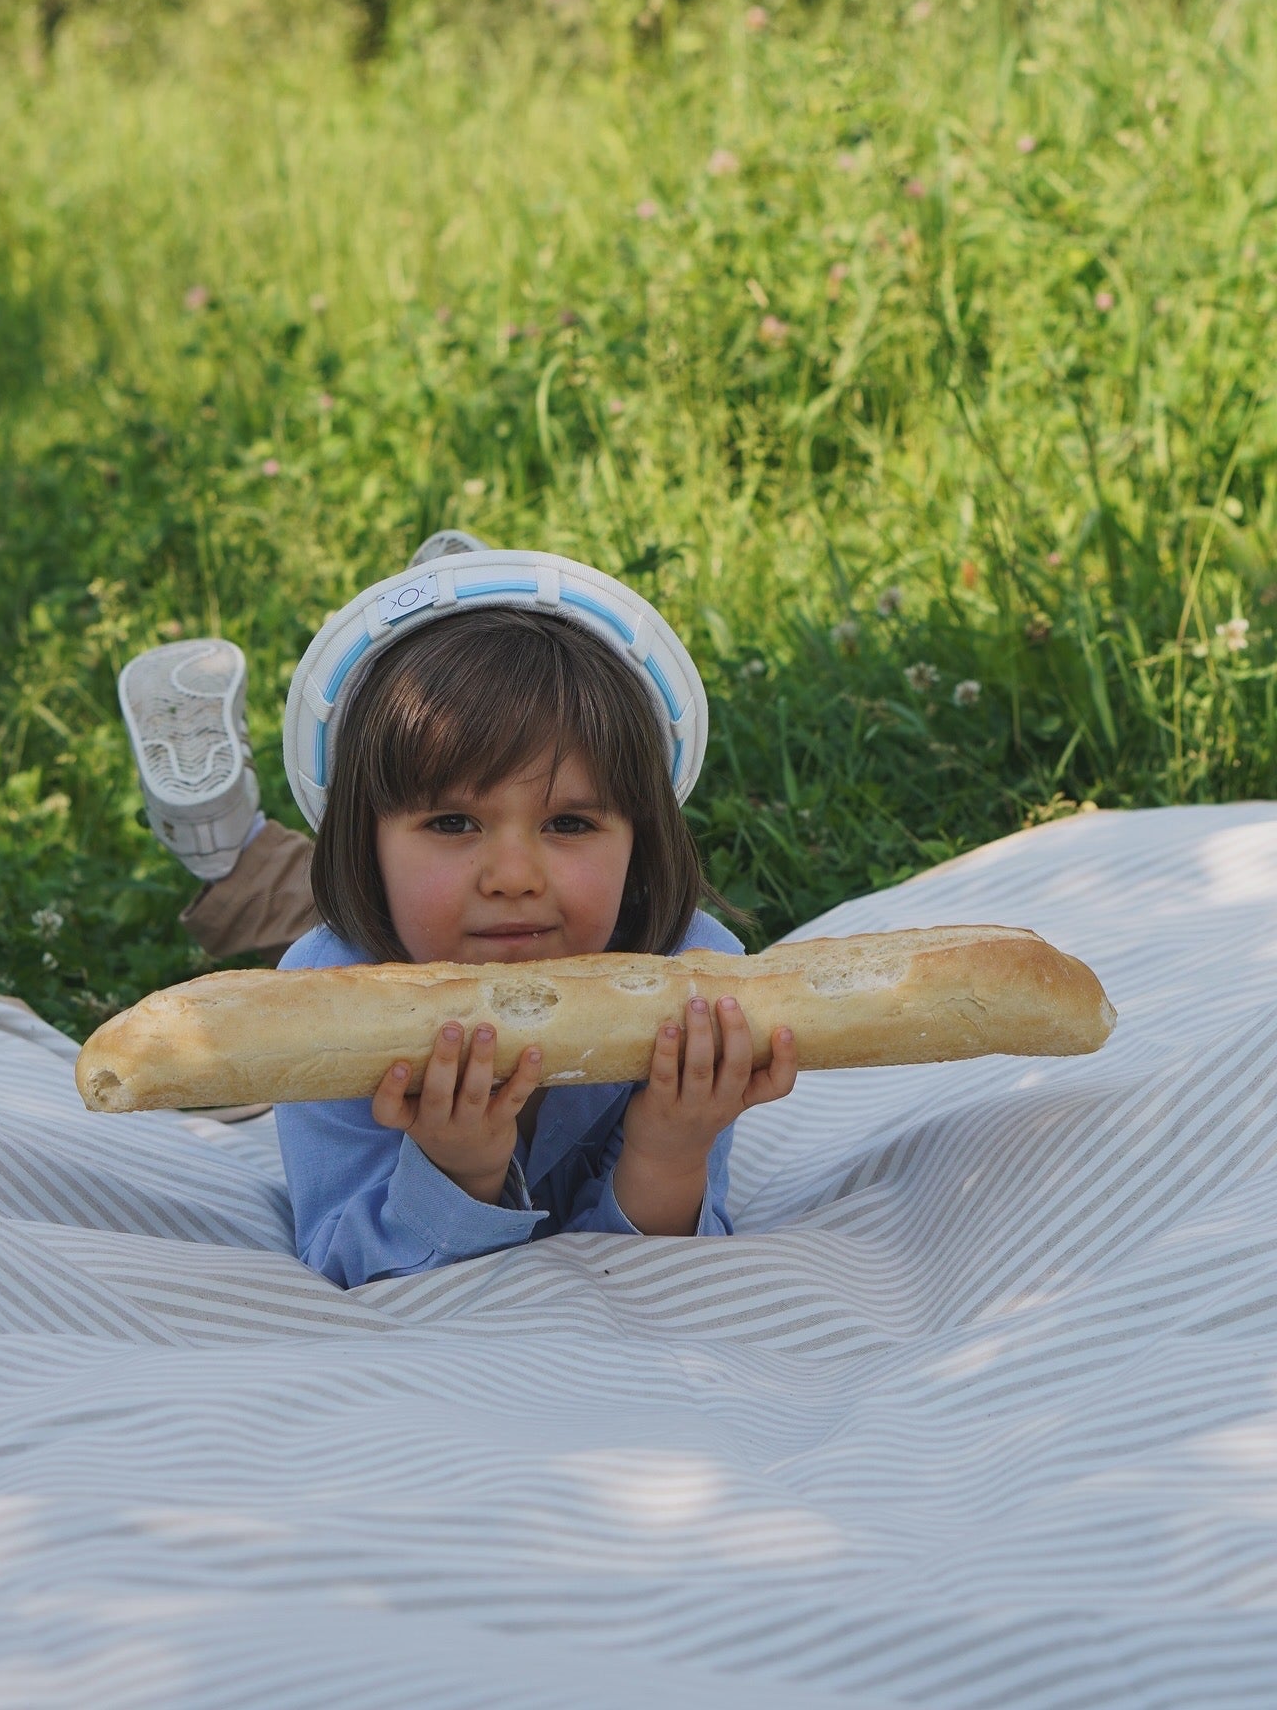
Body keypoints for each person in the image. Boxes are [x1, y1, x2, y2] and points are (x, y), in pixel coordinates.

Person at [119, 532, 799, 1287]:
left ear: (641, 841)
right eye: (453, 821)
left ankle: (447, 608)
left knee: (424, 885)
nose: (513, 876)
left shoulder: (697, 986)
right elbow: (342, 1260)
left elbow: (647, 1277)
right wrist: (453, 1174)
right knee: (276, 893)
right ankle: (219, 833)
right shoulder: (321, 986)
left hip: (443, 910)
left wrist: (669, 1152)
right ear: (369, 838)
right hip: (393, 934)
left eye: (568, 823)